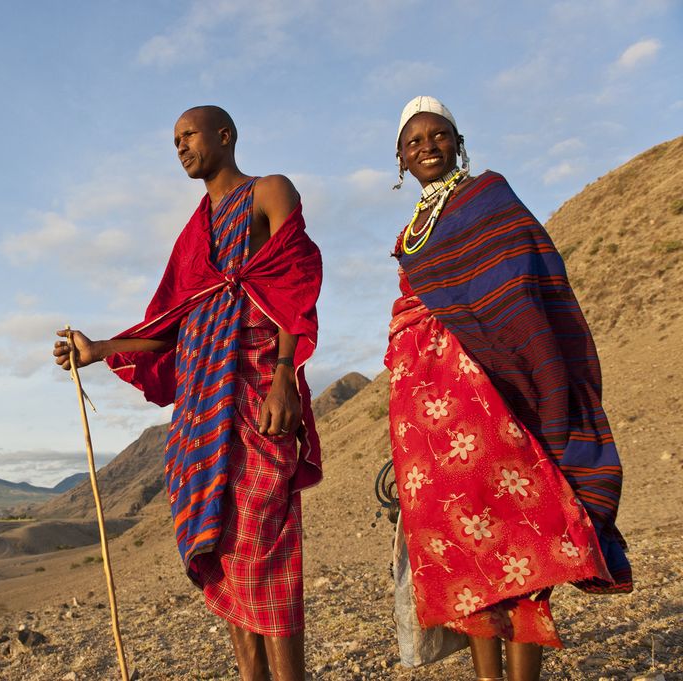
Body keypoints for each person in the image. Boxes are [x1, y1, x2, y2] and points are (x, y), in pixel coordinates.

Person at [53, 105, 322, 681]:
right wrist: (97, 348)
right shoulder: (193, 233)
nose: (180, 147)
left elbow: (294, 286)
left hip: (256, 395)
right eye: (173, 140)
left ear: (225, 137)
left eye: (189, 135)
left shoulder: (270, 191)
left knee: (267, 554)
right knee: (224, 555)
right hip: (201, 412)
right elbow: (170, 324)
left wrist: (283, 376)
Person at [384, 96, 633, 681]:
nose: (427, 146)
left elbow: (522, 281)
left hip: (498, 398)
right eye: (413, 141)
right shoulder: (409, 233)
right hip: (433, 421)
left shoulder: (487, 197)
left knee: (526, 544)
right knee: (471, 557)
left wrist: (522, 363)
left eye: (438, 135)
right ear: (399, 159)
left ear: (458, 141)